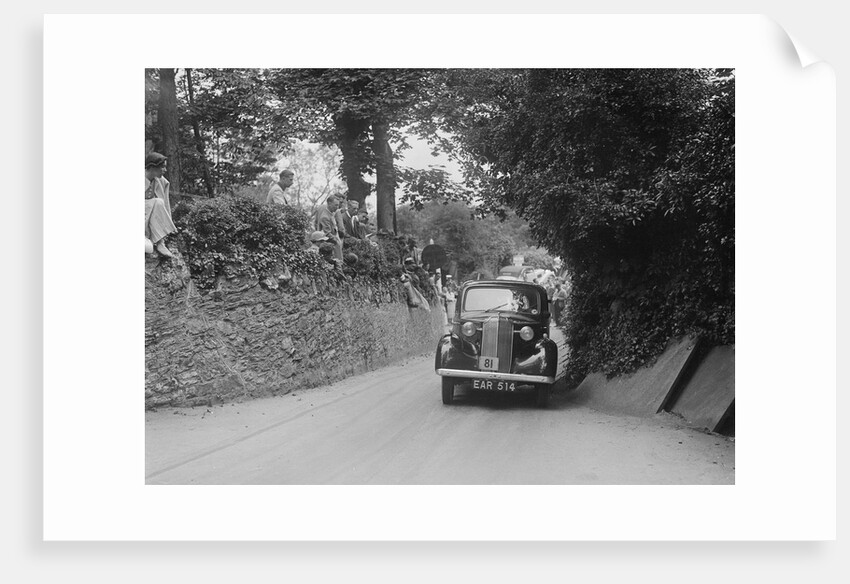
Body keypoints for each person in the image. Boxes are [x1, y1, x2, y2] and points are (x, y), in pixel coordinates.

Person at [144, 152, 177, 258]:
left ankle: (160, 242)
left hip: (151, 216)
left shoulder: (162, 182)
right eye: (162, 167)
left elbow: (165, 204)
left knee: (159, 202)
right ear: (152, 167)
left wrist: (169, 224)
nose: (165, 170)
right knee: (156, 202)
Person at [314, 194, 343, 261]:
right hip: (330, 245)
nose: (337, 207)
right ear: (329, 203)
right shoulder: (325, 217)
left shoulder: (331, 213)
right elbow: (327, 233)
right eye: (335, 205)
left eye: (338, 205)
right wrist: (337, 241)